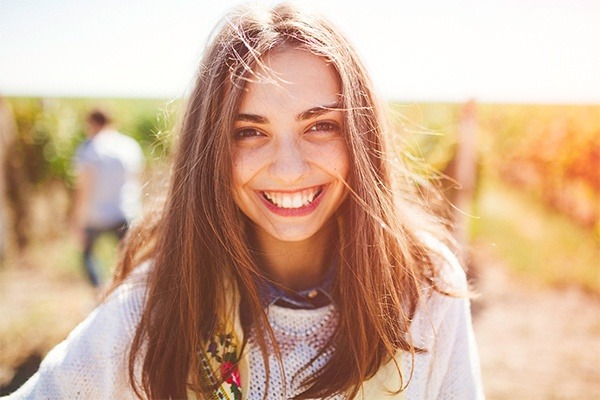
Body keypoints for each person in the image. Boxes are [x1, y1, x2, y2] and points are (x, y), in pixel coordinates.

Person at [5, 3, 484, 399]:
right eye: (249, 132)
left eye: (320, 126)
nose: (290, 168)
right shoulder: (157, 305)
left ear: (361, 137)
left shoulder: (424, 288)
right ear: (210, 149)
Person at [70, 109, 144, 287]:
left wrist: (76, 220)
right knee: (129, 260)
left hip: (96, 215)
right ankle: (123, 291)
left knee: (87, 255)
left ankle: (100, 292)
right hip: (126, 212)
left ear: (92, 124)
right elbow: (138, 179)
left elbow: (83, 187)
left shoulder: (89, 148)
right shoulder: (129, 145)